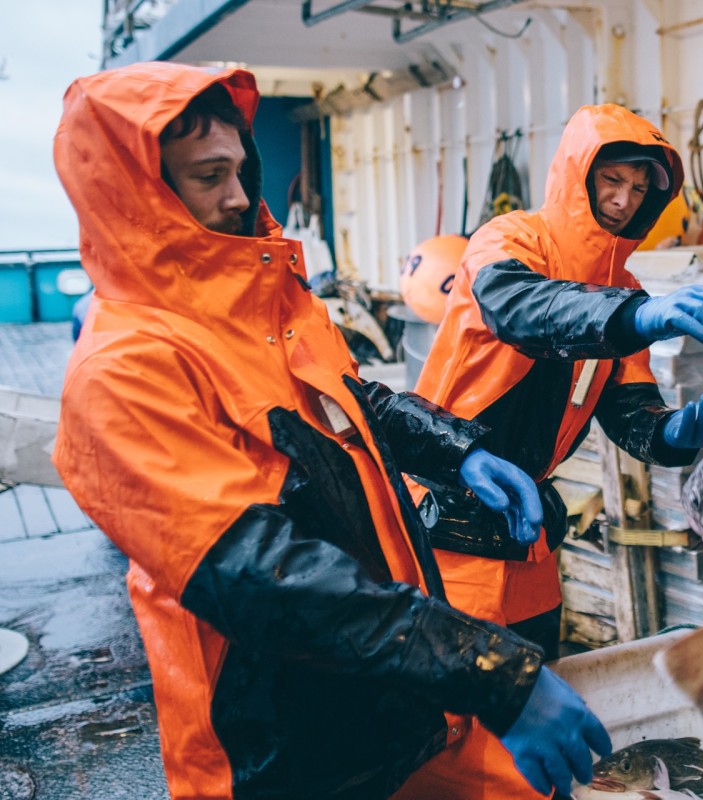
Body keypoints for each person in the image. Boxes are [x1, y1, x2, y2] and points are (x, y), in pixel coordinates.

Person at [52, 62, 610, 800]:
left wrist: (461, 451)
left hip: (394, 700)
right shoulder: (124, 370)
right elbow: (263, 577)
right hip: (283, 753)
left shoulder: (266, 304)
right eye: (206, 176)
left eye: (241, 169)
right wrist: (489, 672)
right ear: (136, 195)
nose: (238, 196)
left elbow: (354, 405)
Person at [396, 104, 703, 798]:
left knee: (536, 703)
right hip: (445, 525)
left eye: (641, 191)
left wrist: (679, 435)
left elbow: (631, 413)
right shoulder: (508, 241)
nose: (623, 201)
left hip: (528, 537)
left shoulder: (624, 294)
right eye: (610, 180)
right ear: (574, 176)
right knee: (441, 728)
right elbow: (521, 309)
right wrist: (637, 316)